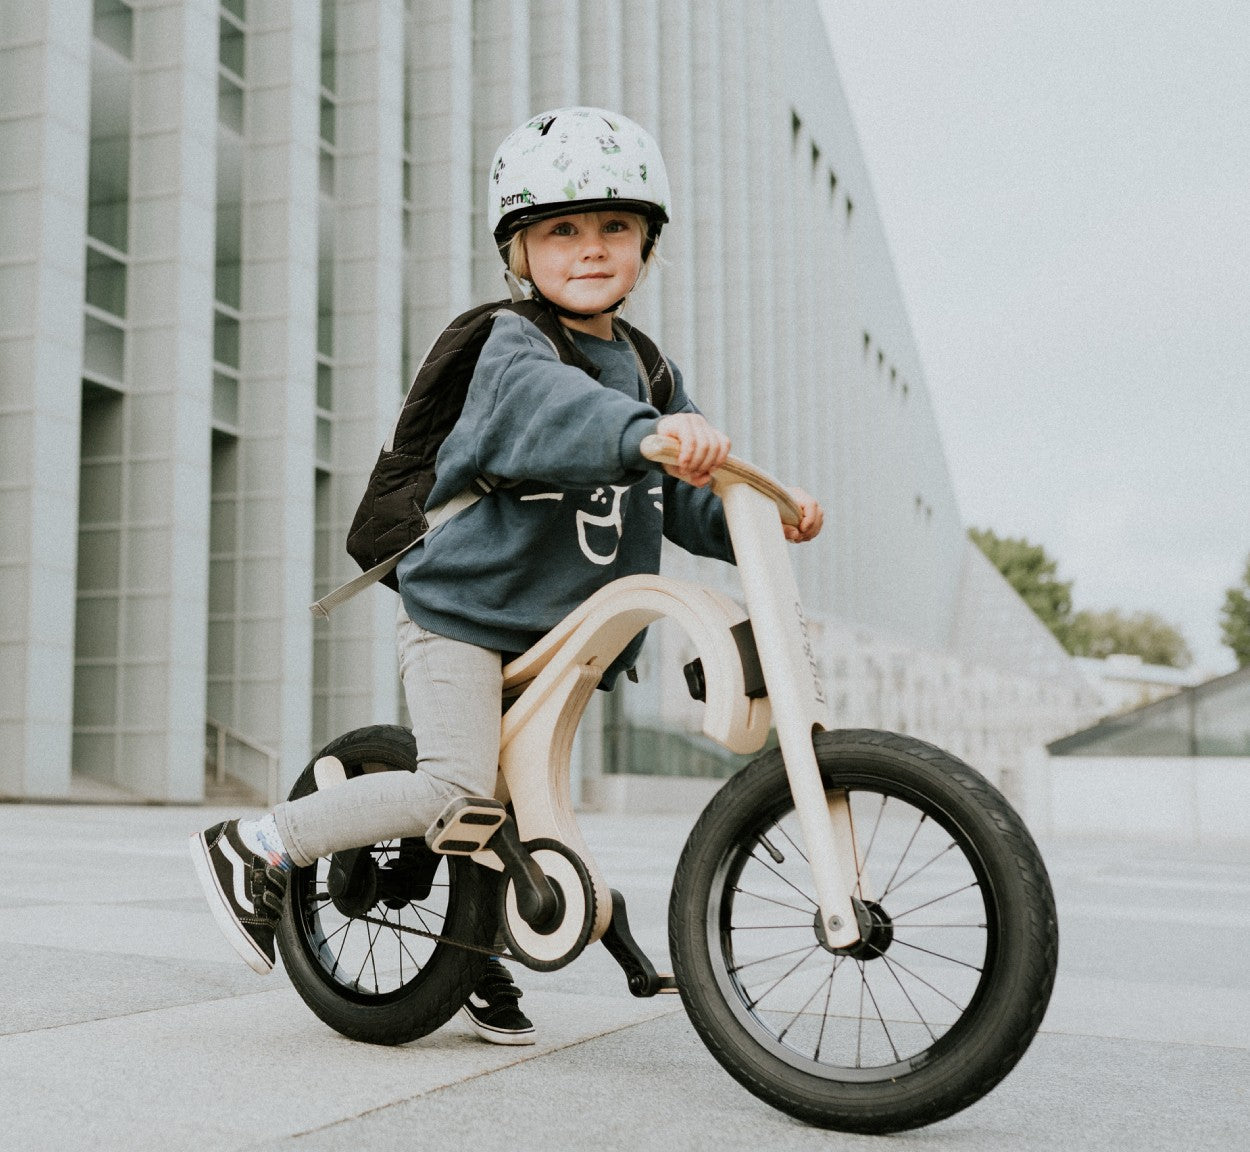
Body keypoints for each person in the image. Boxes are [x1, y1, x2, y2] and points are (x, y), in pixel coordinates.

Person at [190, 107, 823, 1045]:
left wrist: (753, 509)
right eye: (560, 229)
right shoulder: (511, 346)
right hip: (465, 610)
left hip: (555, 623)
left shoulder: (647, 368)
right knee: (456, 786)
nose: (591, 249)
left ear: (647, 243)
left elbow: (679, 499)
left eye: (615, 227)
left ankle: (473, 953)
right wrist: (638, 435)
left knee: (519, 799)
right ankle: (258, 845)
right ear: (518, 252)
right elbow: (547, 413)